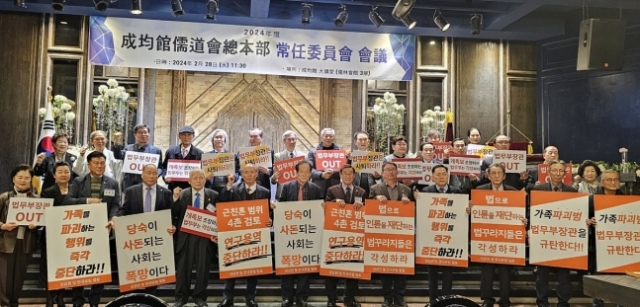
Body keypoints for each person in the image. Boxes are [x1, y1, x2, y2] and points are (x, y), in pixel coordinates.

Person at [63, 151, 121, 307]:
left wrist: (112, 219)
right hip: (81, 230)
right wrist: (87, 201)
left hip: (104, 230)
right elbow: (67, 201)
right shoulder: (78, 181)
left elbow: (116, 205)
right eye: (96, 163)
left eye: (102, 163)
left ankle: (94, 300)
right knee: (79, 265)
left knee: (100, 267)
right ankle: (77, 299)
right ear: (88, 165)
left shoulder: (113, 183)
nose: (99, 166)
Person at [218, 164, 272, 307]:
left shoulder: (265, 192)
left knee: (253, 265)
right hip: (236, 234)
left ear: (256, 174)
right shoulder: (234, 189)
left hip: (256, 234)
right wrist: (229, 185)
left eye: (251, 172)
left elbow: (268, 213)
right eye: (245, 172)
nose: (248, 175)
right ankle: (228, 297)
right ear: (242, 174)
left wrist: (269, 220)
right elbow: (222, 202)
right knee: (232, 264)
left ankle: (250, 297)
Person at [273, 161, 323, 307]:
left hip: (308, 234)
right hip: (289, 233)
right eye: (301, 171)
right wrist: (276, 205)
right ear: (296, 173)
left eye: (307, 172)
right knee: (287, 264)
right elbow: (280, 205)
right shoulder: (287, 187)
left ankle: (302, 297)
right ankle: (287, 297)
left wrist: (323, 207)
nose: (304, 174)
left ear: (311, 173)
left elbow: (319, 210)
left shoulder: (316, 189)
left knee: (305, 266)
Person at [120, 163, 175, 294]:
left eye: (154, 173)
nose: (151, 176)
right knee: (134, 268)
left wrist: (173, 225)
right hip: (136, 238)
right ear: (142, 175)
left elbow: (171, 214)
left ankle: (150, 297)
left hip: (156, 240)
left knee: (152, 271)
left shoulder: (166, 192)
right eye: (148, 173)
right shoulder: (131, 191)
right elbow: (124, 211)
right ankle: (132, 298)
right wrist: (116, 220)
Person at [530, 160, 577, 307]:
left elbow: (576, 214)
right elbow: (530, 211)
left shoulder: (572, 192)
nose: (558, 173)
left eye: (561, 171)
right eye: (555, 170)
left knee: (564, 275)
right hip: (543, 237)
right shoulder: (538, 189)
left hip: (563, 238)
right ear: (549, 172)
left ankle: (563, 302)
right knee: (542, 275)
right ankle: (542, 302)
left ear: (565, 173)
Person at [474, 163, 522, 307]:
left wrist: (523, 219)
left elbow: (518, 212)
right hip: (487, 235)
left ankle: (505, 299)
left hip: (505, 236)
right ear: (488, 175)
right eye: (493, 173)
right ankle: (488, 299)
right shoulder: (479, 190)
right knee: (487, 269)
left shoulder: (514, 192)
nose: (496, 176)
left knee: (505, 269)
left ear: (504, 176)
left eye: (499, 173)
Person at [369, 162, 414, 307]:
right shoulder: (375, 188)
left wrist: (409, 202)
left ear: (397, 172)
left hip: (402, 233)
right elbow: (367, 207)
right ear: (382, 173)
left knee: (402, 266)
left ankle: (399, 297)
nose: (390, 172)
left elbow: (414, 210)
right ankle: (387, 297)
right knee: (385, 267)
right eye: (387, 170)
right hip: (383, 233)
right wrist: (376, 200)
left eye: (393, 170)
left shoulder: (406, 189)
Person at [172, 169, 218, 307]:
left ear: (205, 179)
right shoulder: (182, 194)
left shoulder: (214, 195)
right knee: (183, 270)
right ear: (189, 180)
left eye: (201, 178)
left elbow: (218, 216)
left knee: (202, 269)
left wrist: (216, 233)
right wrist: (174, 198)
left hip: (205, 237)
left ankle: (200, 298)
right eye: (195, 178)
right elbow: (174, 214)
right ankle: (181, 298)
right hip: (186, 237)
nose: (198, 180)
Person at [324, 164, 365, 307]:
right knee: (332, 269)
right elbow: (325, 206)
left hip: (355, 235)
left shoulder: (361, 191)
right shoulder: (332, 190)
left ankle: (349, 298)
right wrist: (334, 202)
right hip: (335, 234)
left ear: (354, 176)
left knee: (353, 269)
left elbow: (367, 211)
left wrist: (362, 207)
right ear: (340, 175)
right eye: (345, 173)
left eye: (350, 173)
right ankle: (331, 299)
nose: (348, 176)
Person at [420, 165, 462, 302]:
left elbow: (461, 213)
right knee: (431, 273)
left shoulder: (457, 191)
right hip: (432, 237)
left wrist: (466, 210)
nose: (441, 176)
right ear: (432, 177)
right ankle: (433, 300)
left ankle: (446, 300)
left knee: (448, 272)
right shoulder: (425, 192)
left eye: (444, 174)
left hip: (450, 237)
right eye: (438, 174)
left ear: (448, 175)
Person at [0, 165, 39, 307]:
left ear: (31, 180)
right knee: (5, 277)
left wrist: (36, 225)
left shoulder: (37, 200)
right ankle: (5, 304)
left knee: (19, 277)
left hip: (26, 243)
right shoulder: (4, 197)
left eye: (27, 178)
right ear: (13, 179)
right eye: (20, 177)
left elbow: (42, 222)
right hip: (7, 243)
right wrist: (3, 226)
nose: (23, 180)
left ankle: (14, 303)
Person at [588, 170, 623, 307]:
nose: (613, 182)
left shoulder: (627, 199)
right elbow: (583, 220)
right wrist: (590, 221)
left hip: (620, 247)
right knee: (599, 280)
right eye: (609, 180)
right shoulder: (593, 199)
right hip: (598, 247)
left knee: (621, 279)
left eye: (616, 180)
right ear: (602, 182)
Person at [40, 162, 73, 307]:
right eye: (60, 172)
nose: (64, 174)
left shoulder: (75, 191)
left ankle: (60, 296)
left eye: (66, 171)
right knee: (48, 267)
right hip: (51, 235)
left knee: (64, 267)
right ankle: (49, 296)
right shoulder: (47, 192)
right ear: (54, 175)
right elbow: (43, 214)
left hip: (69, 235)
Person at [160, 125, 204, 199]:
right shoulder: (170, 151)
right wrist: (165, 177)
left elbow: (202, 172)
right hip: (173, 187)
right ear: (179, 136)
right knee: (173, 209)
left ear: (193, 136)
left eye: (189, 135)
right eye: (183, 134)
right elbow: (164, 167)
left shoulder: (200, 154)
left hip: (191, 189)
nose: (186, 137)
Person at [121, 124, 163, 191]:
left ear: (149, 134)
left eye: (145, 132)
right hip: (130, 183)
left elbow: (160, 167)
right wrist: (117, 144)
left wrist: (156, 174)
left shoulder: (156, 150)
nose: (143, 134)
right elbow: (118, 155)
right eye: (140, 132)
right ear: (135, 135)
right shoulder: (128, 148)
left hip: (148, 183)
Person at [237, 128, 274, 195]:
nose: (252, 139)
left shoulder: (269, 152)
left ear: (261, 138)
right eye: (251, 136)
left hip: (264, 185)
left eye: (255, 136)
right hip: (246, 186)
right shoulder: (242, 153)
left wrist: (268, 171)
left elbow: (275, 170)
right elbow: (237, 169)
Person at [271, 130, 307, 199]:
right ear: (284, 141)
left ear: (296, 141)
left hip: (299, 194)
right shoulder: (277, 157)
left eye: (293, 139)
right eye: (289, 139)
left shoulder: (303, 157)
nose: (292, 142)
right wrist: (274, 177)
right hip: (282, 194)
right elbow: (274, 178)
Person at [307, 128, 342, 195]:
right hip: (318, 186)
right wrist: (321, 174)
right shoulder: (313, 152)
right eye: (326, 136)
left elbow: (344, 169)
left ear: (333, 138)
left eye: (331, 136)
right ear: (322, 137)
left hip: (335, 187)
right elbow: (309, 169)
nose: (328, 138)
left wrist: (333, 172)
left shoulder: (340, 152)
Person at [205, 129, 238, 194]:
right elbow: (201, 174)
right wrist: (205, 178)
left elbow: (238, 173)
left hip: (228, 188)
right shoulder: (206, 156)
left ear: (224, 140)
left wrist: (233, 176)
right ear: (213, 140)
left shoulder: (232, 156)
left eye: (221, 137)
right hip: (211, 189)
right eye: (216, 137)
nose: (219, 139)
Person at [349, 131, 379, 197]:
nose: (363, 142)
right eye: (360, 140)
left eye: (365, 139)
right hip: (355, 190)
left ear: (368, 141)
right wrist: (349, 160)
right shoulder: (350, 157)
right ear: (355, 142)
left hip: (371, 190)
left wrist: (377, 176)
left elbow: (379, 178)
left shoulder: (374, 157)